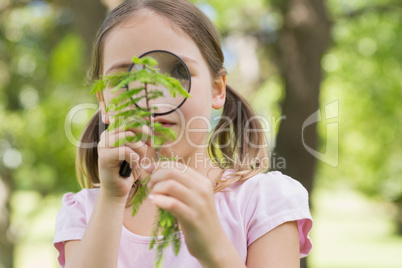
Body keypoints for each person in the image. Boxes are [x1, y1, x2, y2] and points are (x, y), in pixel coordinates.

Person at [53, 0, 313, 267]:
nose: (154, 98)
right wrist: (111, 199)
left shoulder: (262, 203)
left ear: (217, 90)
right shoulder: (86, 213)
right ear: (104, 103)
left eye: (178, 72)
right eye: (126, 80)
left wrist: (215, 249)